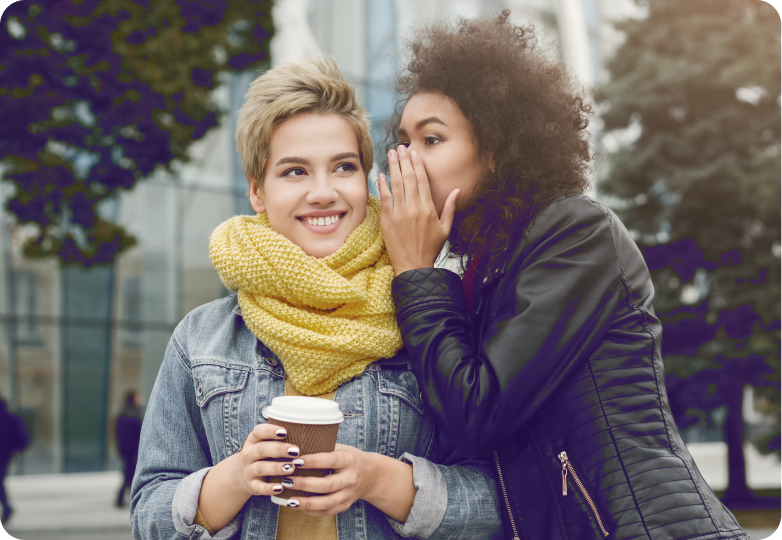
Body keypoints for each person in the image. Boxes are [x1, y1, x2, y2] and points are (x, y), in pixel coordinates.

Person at [378, 11, 750, 540]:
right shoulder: (486, 272)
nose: (405, 161)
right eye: (403, 140)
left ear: (495, 149)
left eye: (431, 140)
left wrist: (415, 272)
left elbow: (475, 410)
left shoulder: (575, 233)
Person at [129, 56, 501, 540]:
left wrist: (380, 480)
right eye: (295, 172)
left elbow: (501, 502)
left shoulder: (429, 322)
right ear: (258, 191)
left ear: (365, 180)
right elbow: (146, 517)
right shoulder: (200, 340)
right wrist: (234, 479)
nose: (323, 192)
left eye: (343, 167)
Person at [0, 397, 29, 523]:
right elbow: (23, 439)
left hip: (4, 455)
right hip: (6, 455)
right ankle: (6, 507)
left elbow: (23, 439)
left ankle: (7, 507)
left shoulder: (11, 420)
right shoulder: (12, 419)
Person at [116, 390, 143, 507]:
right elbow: (140, 434)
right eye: (138, 397)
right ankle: (126, 499)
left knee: (129, 473)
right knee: (130, 474)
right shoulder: (133, 415)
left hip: (124, 450)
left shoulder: (122, 414)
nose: (141, 399)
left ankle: (124, 499)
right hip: (132, 450)